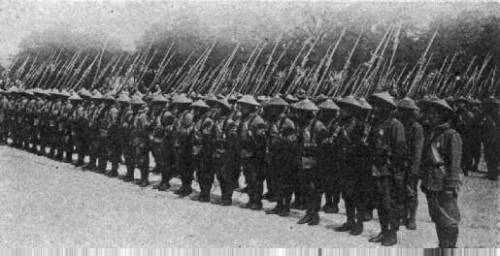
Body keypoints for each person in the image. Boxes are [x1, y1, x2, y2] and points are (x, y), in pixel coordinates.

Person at [420, 97, 462, 248]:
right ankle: (442, 245)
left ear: (442, 116)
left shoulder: (451, 135)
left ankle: (450, 247)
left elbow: (455, 165)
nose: (430, 116)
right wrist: (424, 180)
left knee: (449, 218)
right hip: (432, 183)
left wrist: (450, 187)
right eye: (429, 113)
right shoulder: (431, 134)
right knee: (437, 216)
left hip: (444, 184)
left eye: (434, 114)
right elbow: (425, 160)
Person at [367, 91, 406, 246]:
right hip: (376, 168)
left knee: (389, 203)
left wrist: (387, 153)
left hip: (389, 171)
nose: (376, 108)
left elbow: (401, 151)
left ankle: (392, 234)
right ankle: (384, 230)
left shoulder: (396, 125)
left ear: (387, 107)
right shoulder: (377, 123)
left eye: (380, 106)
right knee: (380, 202)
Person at [295, 98, 328, 226]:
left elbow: (325, 145)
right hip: (304, 160)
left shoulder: (318, 126)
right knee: (306, 187)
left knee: (314, 188)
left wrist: (311, 148)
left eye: (301, 112)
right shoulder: (303, 126)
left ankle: (314, 214)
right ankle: (309, 212)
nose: (299, 114)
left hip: (315, 161)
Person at [264, 96, 298, 217]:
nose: (272, 110)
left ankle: (286, 206)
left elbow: (291, 140)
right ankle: (279, 204)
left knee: (286, 182)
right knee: (276, 181)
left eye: (274, 108)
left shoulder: (288, 122)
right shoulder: (273, 121)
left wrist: (279, 139)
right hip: (274, 155)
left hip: (285, 156)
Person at [397, 97, 424, 230]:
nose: (402, 113)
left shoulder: (416, 128)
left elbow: (418, 149)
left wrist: (414, 169)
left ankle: (412, 217)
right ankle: (402, 215)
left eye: (404, 111)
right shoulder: (400, 125)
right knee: (400, 190)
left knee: (411, 192)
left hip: (412, 164)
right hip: (401, 163)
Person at [237, 95, 267, 210]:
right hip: (245, 152)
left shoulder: (257, 120)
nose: (241, 108)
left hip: (254, 153)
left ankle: (257, 201)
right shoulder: (244, 119)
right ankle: (251, 199)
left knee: (256, 178)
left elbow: (261, 139)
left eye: (244, 106)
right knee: (248, 177)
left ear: (250, 107)